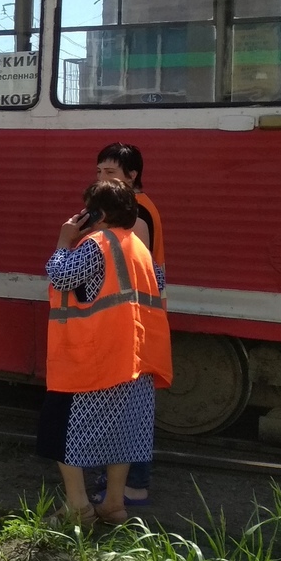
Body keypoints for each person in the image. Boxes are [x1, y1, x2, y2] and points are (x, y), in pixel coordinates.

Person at [39, 179, 173, 526]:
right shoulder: (140, 248)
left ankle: (78, 507)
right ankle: (114, 505)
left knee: (61, 430)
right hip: (135, 360)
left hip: (93, 361)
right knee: (122, 432)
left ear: (96, 213)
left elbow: (61, 276)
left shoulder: (97, 243)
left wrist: (63, 240)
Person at [91, 142, 168, 507]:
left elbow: (124, 266)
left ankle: (132, 485)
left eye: (110, 172)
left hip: (133, 321)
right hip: (142, 317)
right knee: (130, 406)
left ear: (132, 175)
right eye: (99, 172)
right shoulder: (142, 207)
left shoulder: (134, 213)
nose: (102, 179)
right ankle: (126, 484)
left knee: (127, 408)